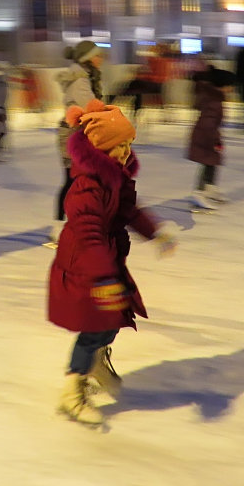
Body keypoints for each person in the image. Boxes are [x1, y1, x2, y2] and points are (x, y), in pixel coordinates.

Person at [49, 99, 176, 427]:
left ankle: (96, 362)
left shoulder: (113, 179)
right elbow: (89, 234)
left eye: (129, 144)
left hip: (105, 259)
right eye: (120, 145)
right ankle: (72, 391)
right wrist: (103, 277)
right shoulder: (86, 187)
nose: (126, 152)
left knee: (115, 316)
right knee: (93, 327)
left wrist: (155, 233)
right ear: (102, 147)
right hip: (86, 265)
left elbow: (129, 211)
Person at [49, 40, 105, 247]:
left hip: (80, 134)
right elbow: (92, 107)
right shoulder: (80, 79)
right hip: (72, 135)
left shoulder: (87, 77)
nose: (101, 59)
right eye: (98, 55)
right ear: (88, 58)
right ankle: (59, 227)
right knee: (73, 181)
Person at [187, 67, 237, 211]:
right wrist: (214, 140)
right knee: (207, 162)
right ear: (222, 86)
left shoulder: (213, 97)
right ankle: (199, 192)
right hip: (205, 136)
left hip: (206, 135)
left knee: (212, 162)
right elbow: (208, 123)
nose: (231, 90)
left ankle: (209, 188)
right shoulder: (214, 101)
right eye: (230, 86)